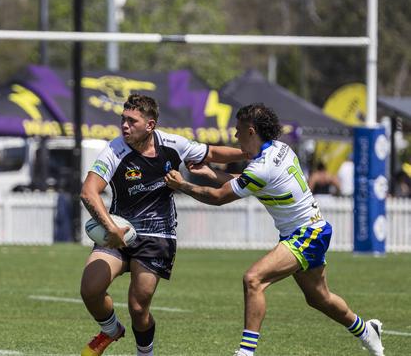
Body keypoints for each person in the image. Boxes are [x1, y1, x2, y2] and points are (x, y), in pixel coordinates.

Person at [163, 103, 384, 356]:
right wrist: (210, 172)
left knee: (253, 279)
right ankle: (367, 330)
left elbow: (219, 198)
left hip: (306, 234)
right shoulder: (280, 149)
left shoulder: (262, 166)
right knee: (318, 298)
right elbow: (246, 184)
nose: (235, 136)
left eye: (238, 130)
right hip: (311, 230)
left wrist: (182, 185)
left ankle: (245, 352)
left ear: (251, 131)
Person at [79, 94, 248, 356]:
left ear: (150, 125)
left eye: (131, 121)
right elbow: (89, 192)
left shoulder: (173, 144)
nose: (124, 126)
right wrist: (111, 228)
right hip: (120, 229)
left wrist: (251, 152)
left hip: (158, 235)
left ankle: (145, 353)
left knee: (138, 307)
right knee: (90, 289)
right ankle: (111, 330)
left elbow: (211, 153)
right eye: (123, 119)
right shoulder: (114, 150)